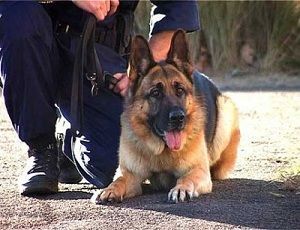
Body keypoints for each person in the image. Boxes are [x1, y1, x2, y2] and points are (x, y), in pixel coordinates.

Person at [0, 1, 199, 196]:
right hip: (27, 47)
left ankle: (67, 139)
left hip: (96, 54)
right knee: (18, 16)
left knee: (113, 163)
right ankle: (41, 149)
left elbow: (177, 4)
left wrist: (147, 74)